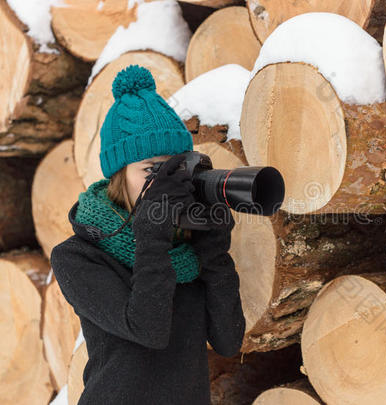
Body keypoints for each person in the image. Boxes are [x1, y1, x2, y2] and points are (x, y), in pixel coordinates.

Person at [50, 64, 245, 404]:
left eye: (175, 168)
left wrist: (214, 252)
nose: (166, 183)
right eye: (152, 170)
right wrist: (151, 239)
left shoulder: (187, 248)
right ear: (118, 175)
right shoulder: (76, 256)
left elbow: (228, 341)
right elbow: (147, 329)